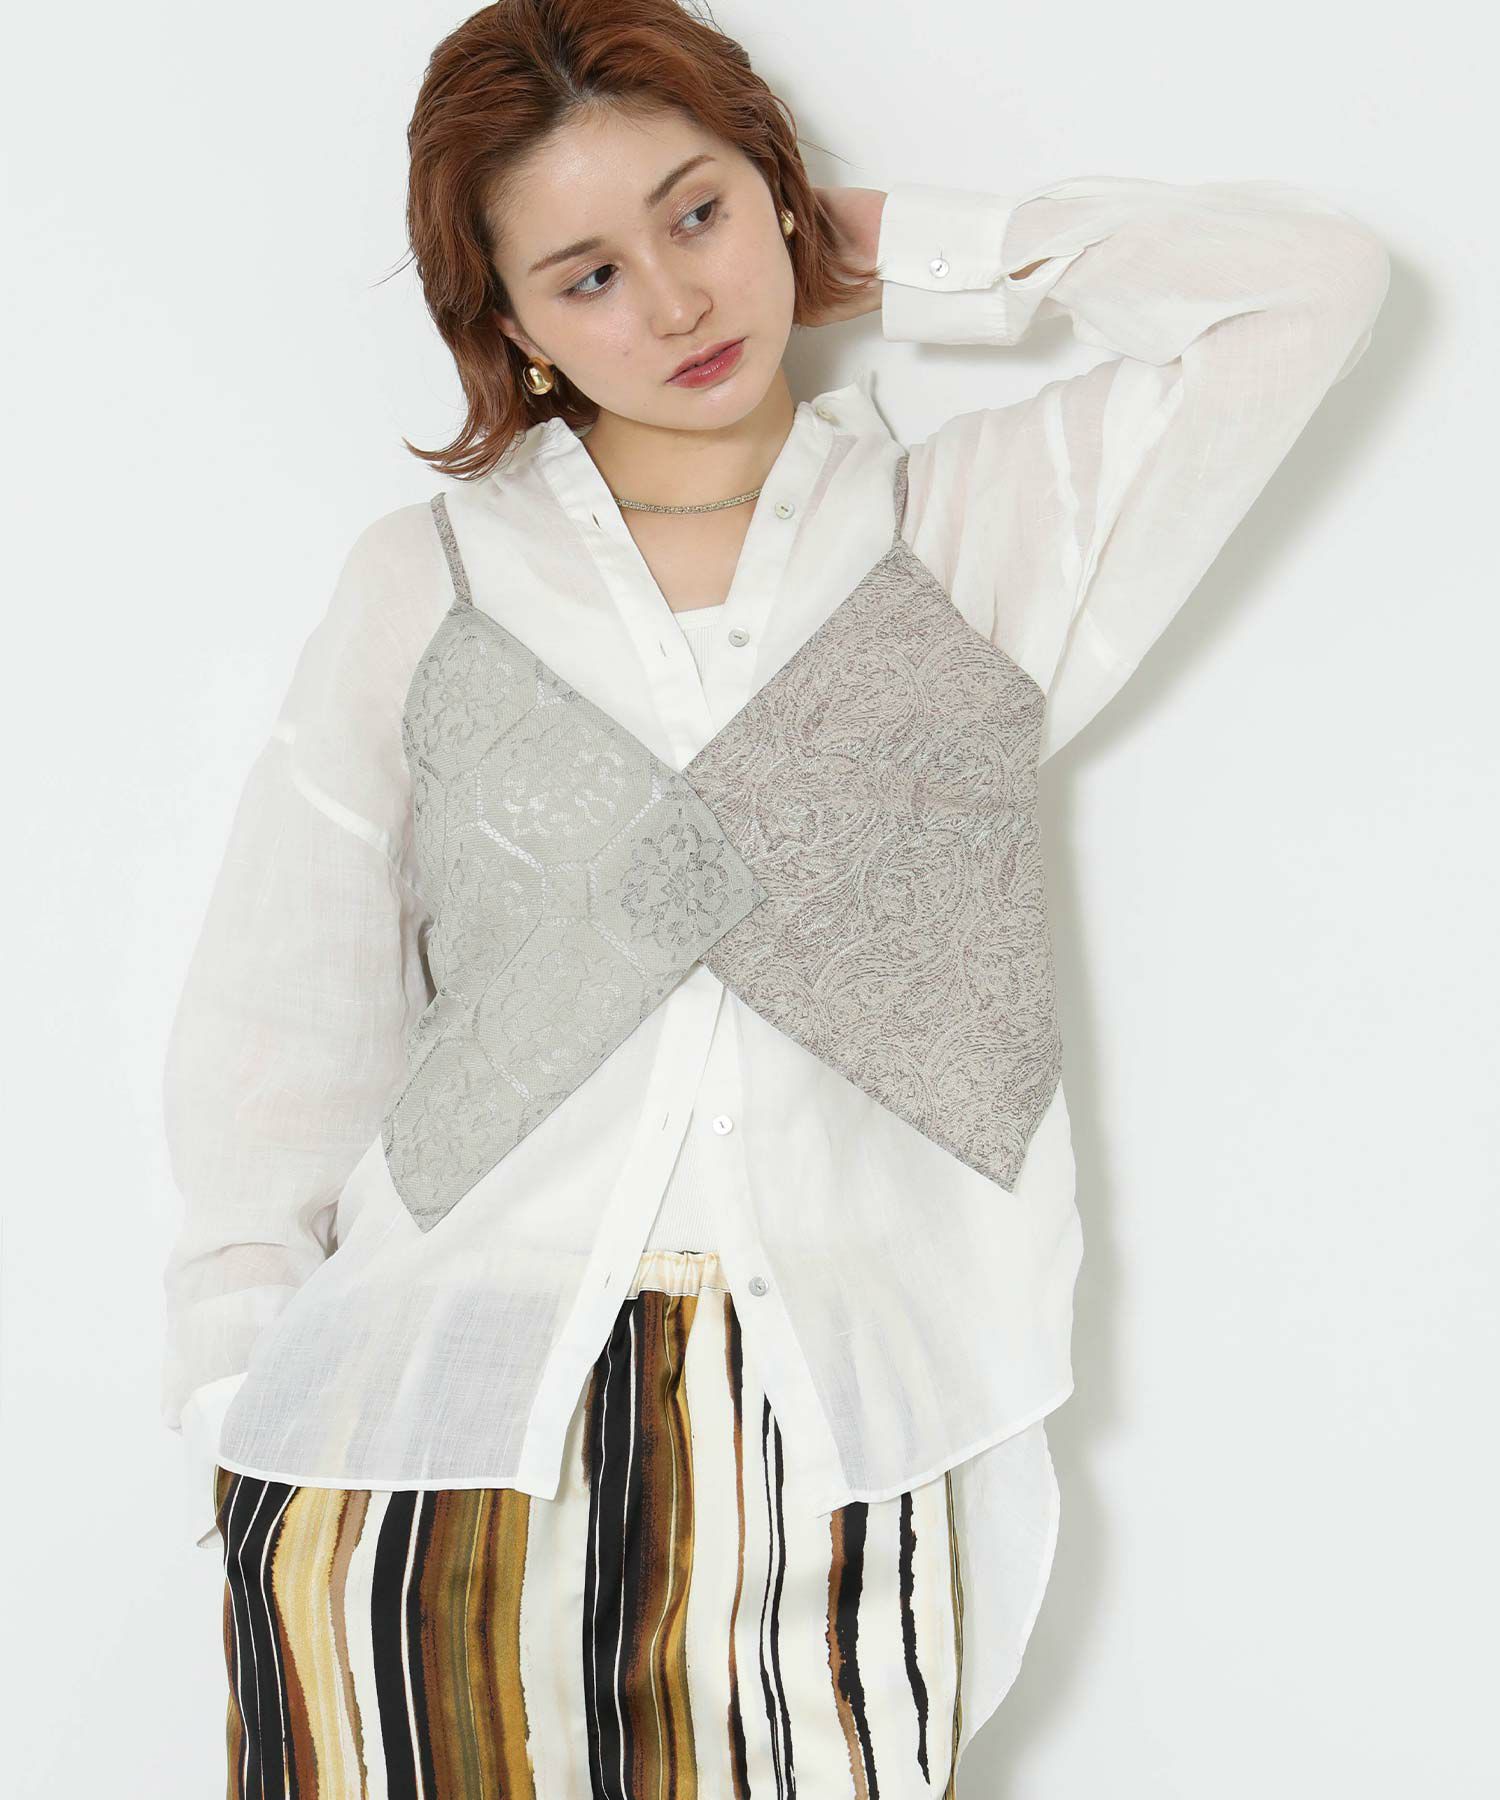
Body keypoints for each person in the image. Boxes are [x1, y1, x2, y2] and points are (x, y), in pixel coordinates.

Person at [159, 0, 1390, 1791]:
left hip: (836, 1428)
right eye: (587, 275)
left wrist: (911, 249)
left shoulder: (963, 536)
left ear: (774, 193)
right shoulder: (427, 583)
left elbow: (1310, 288)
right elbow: (279, 1020)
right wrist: (234, 1403)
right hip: (424, 1435)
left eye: (700, 212)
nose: (674, 301)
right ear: (507, 326)